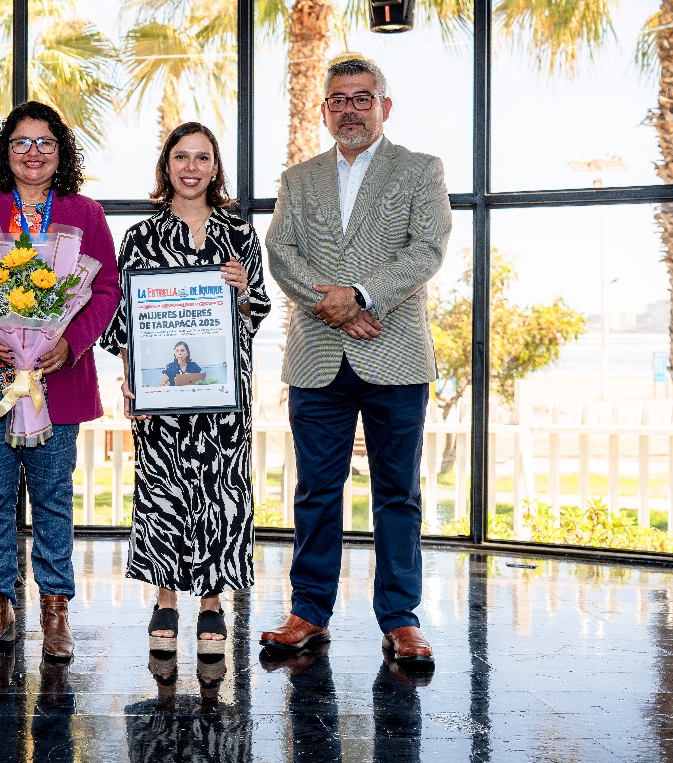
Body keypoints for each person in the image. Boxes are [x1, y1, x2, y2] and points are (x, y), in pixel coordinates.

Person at [262, 56, 452, 667]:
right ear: (324, 110)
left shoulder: (420, 170)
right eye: (339, 99)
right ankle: (309, 612)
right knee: (316, 490)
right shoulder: (299, 178)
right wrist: (338, 308)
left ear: (384, 107)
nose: (350, 109)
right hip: (317, 357)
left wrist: (362, 297)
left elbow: (427, 249)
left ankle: (400, 619)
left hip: (395, 354)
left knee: (398, 493)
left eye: (362, 98)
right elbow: (281, 252)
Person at [0, 100, 119, 661]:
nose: (33, 152)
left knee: (53, 498)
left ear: (61, 152)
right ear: (5, 151)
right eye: (21, 142)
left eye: (45, 142)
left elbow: (106, 289)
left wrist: (70, 343)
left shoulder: (85, 213)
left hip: (55, 380)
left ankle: (55, 610)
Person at [99, 122, 270, 656]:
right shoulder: (139, 238)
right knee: (162, 490)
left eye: (202, 157)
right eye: (181, 156)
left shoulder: (240, 234)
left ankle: (213, 603)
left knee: (222, 490)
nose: (191, 167)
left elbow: (256, 311)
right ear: (166, 165)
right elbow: (123, 321)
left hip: (225, 393)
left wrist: (243, 292)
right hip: (160, 396)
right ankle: (166, 599)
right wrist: (134, 384)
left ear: (215, 167)